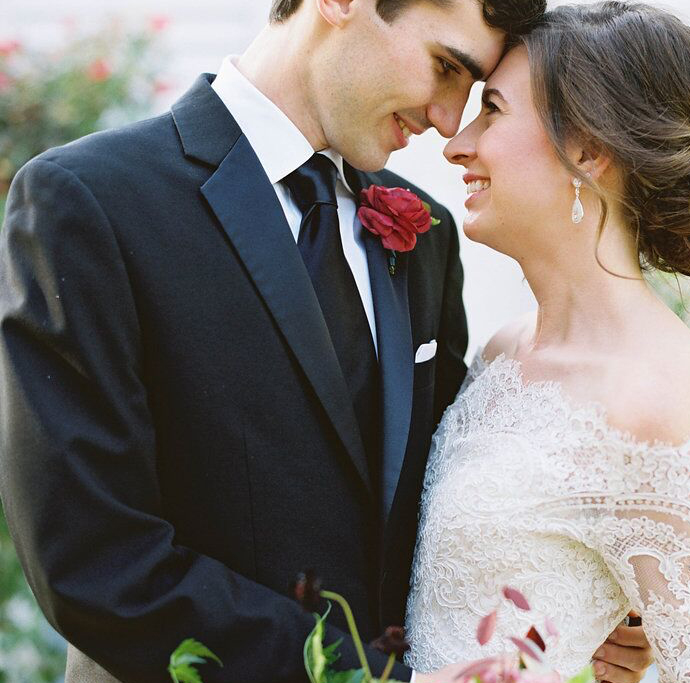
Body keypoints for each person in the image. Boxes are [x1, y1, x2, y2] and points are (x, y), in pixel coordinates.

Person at [0, 0, 654, 681]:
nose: (447, 120)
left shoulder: (425, 235)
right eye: (444, 67)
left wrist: (577, 602)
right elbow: (100, 563)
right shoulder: (91, 203)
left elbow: (444, 502)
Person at [405, 3, 690, 682]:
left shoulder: (650, 394)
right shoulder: (504, 352)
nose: (457, 142)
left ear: (589, 150)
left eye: (495, 112)